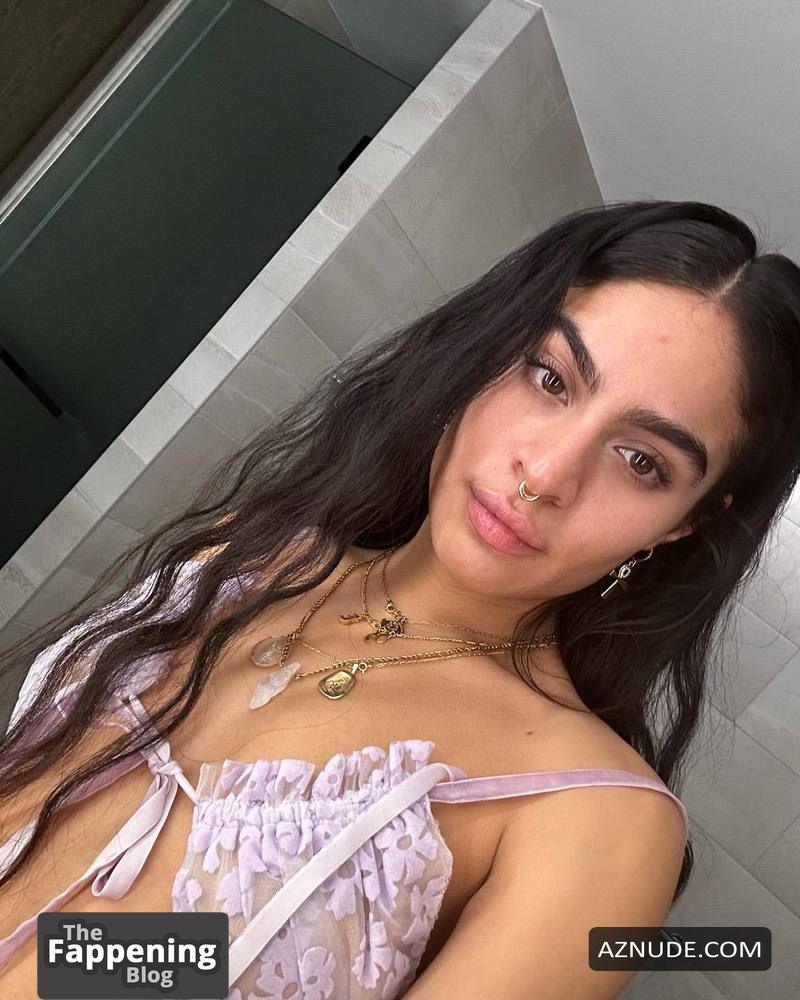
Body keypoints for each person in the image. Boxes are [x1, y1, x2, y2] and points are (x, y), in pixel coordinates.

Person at [1, 199, 799, 1000]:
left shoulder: (593, 815)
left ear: (684, 523)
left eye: (641, 460)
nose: (546, 474)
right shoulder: (249, 555)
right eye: (549, 377)